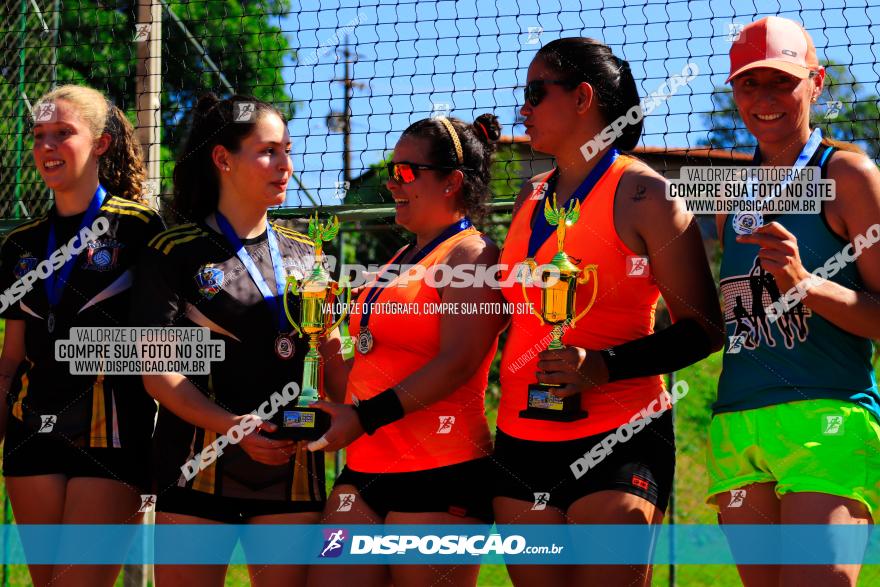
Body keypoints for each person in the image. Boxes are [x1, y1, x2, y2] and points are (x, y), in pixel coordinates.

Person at [493, 37, 724, 586]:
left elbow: (705, 329)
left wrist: (601, 365)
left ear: (583, 99)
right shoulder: (532, 194)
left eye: (534, 92)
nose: (521, 108)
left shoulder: (646, 194)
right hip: (521, 437)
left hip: (619, 436)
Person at [710, 16, 880, 586]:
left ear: (816, 82)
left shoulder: (848, 174)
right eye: (748, 83)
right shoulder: (727, 192)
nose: (764, 98)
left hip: (828, 414)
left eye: (781, 81)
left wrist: (806, 281)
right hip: (738, 421)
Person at [131, 94, 325, 587]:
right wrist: (232, 427)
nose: (285, 165)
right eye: (268, 152)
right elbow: (158, 376)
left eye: (288, 150)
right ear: (223, 159)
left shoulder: (308, 255)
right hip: (196, 464)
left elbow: (331, 357)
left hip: (292, 466)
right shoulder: (171, 251)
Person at [307, 113, 507, 587]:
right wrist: (324, 336)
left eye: (405, 172)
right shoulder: (398, 260)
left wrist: (363, 418)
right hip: (365, 470)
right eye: (391, 171)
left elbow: (458, 362)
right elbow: (356, 379)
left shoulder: (471, 254)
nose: (392, 183)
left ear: (451, 182)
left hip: (442, 472)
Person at [0, 84, 164, 587]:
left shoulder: (139, 228)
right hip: (32, 433)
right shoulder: (19, 245)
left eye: (62, 133)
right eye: (39, 135)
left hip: (112, 435)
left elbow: (159, 346)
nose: (47, 146)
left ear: (100, 143)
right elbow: (11, 358)